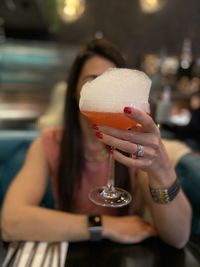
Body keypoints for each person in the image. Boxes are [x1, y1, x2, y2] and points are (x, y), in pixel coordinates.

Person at [1, 38, 191, 248]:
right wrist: (105, 226)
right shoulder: (49, 143)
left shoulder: (135, 145)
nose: (105, 91)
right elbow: (11, 221)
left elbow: (179, 237)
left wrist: (161, 168)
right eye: (93, 80)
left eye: (111, 83)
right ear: (75, 92)